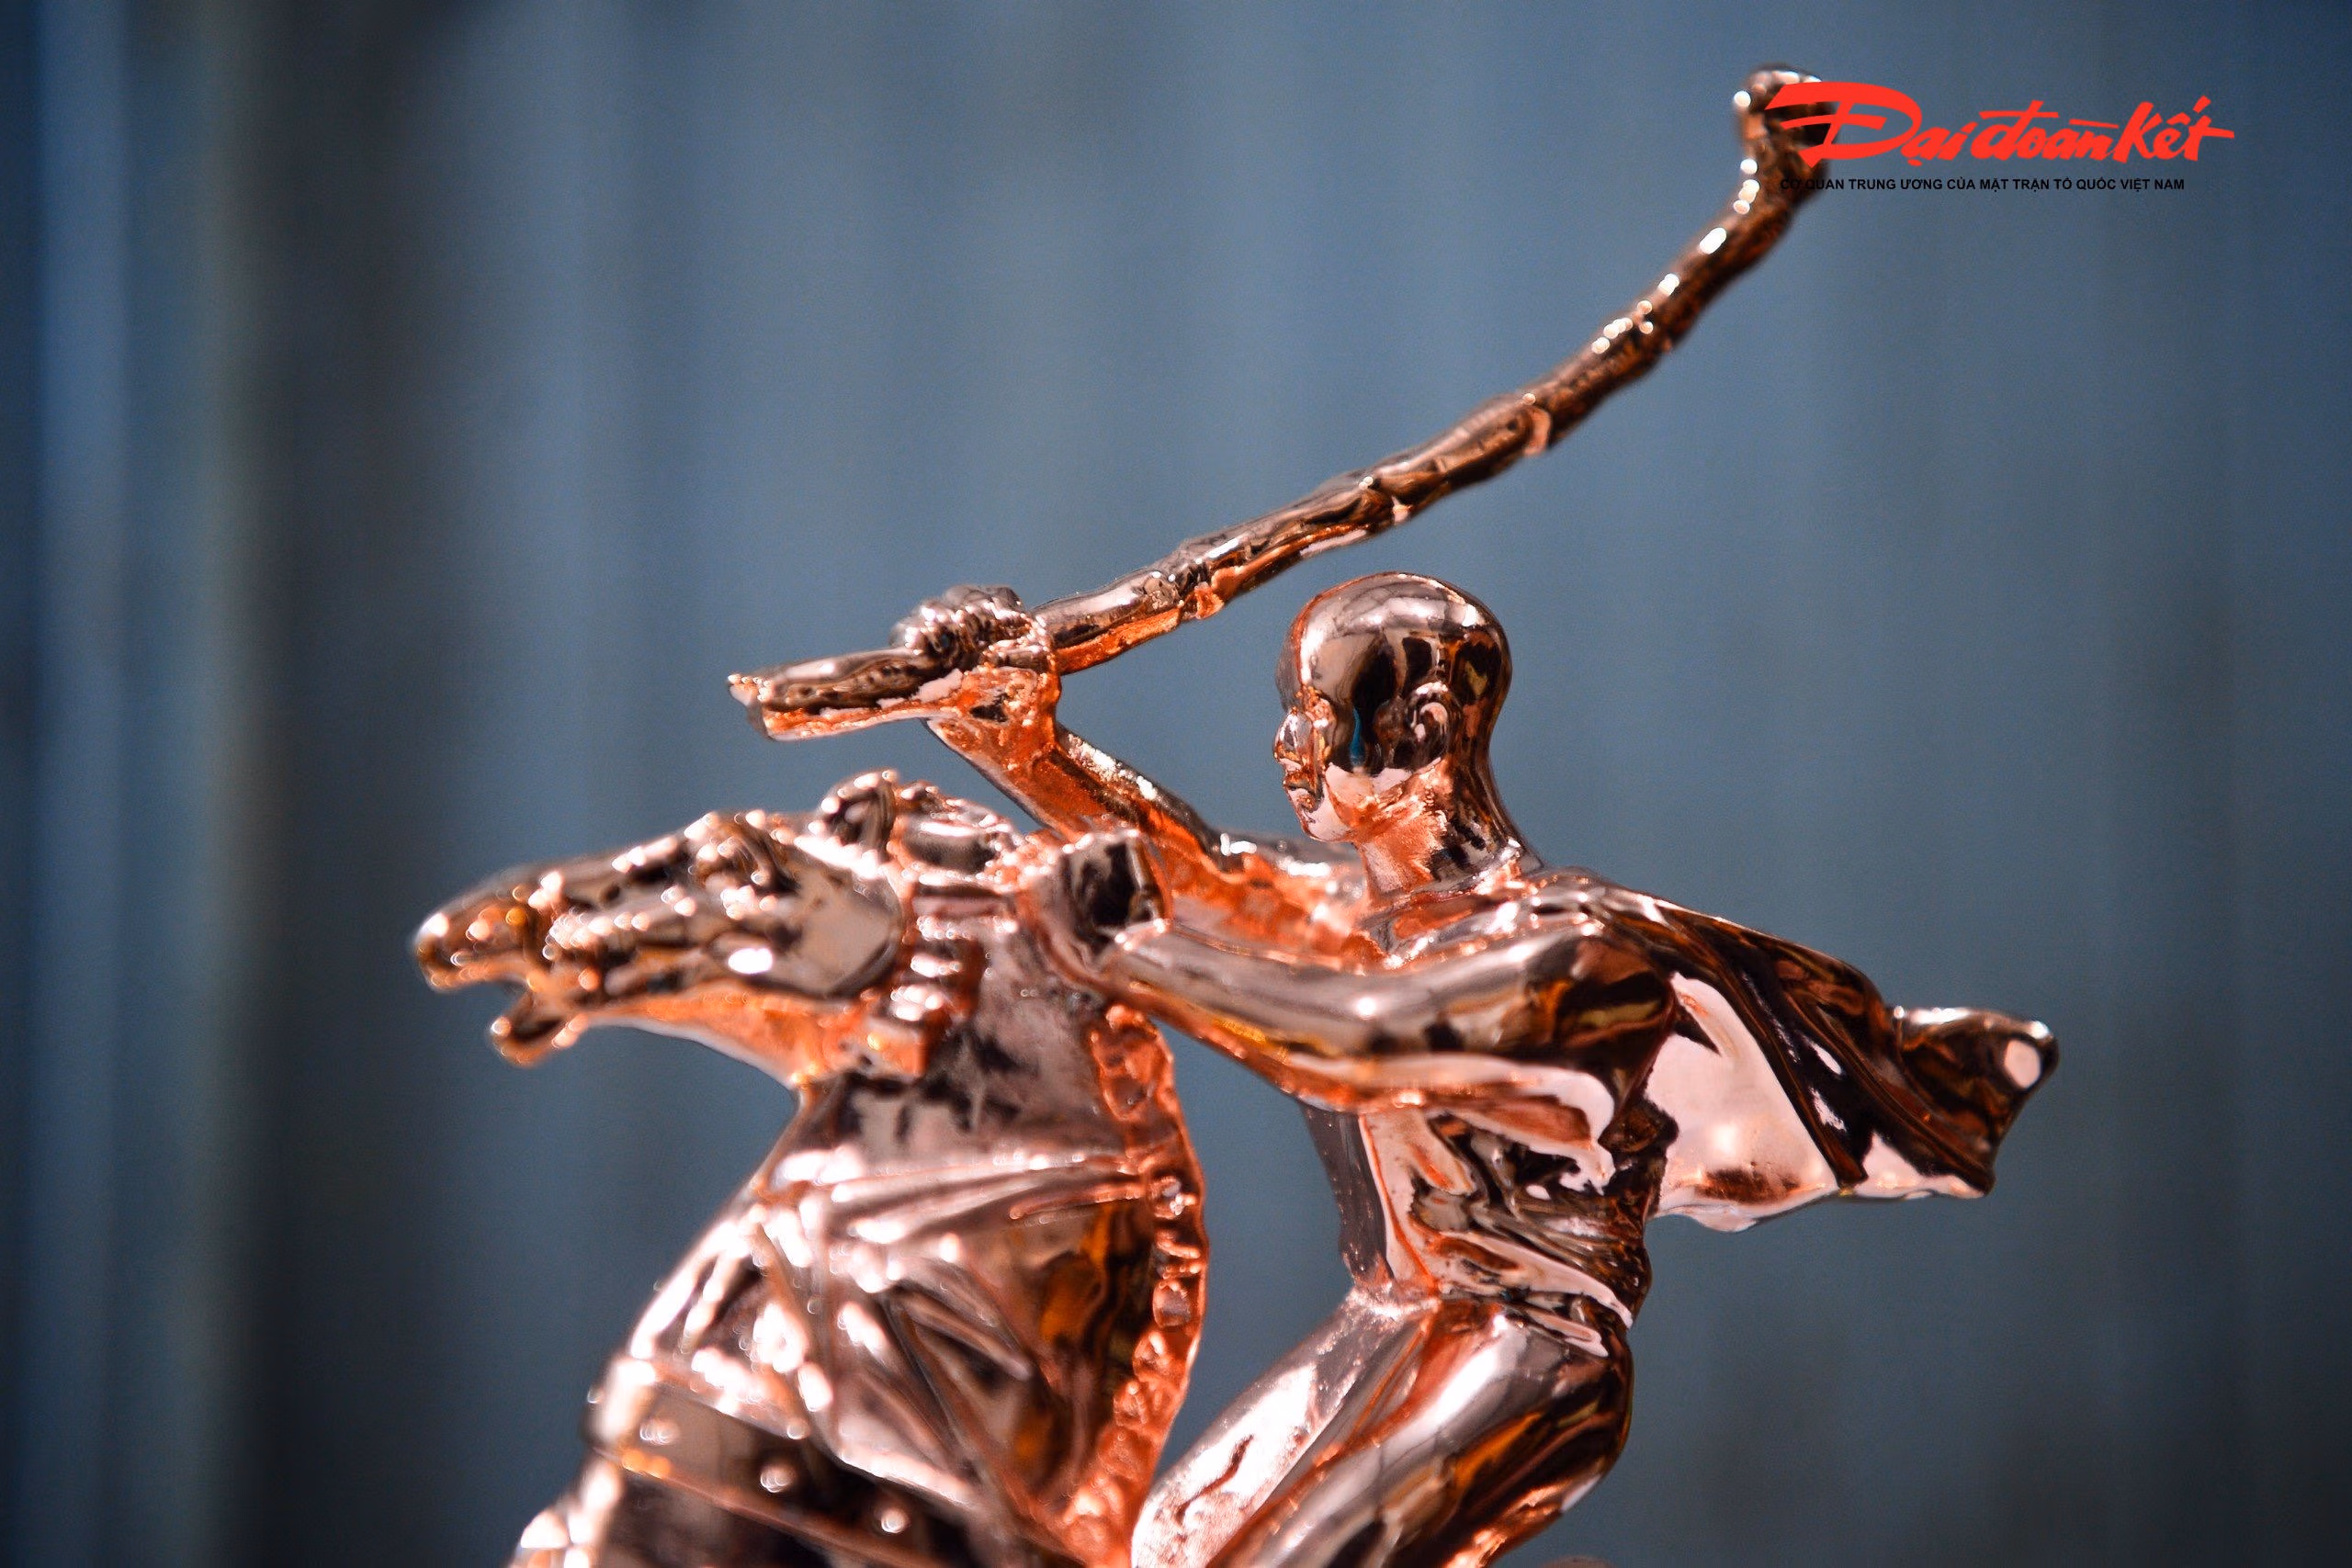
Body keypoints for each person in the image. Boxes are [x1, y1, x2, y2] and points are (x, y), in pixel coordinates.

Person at [899, 571, 2054, 1567]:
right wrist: (1016, 738)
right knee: (1160, 1551)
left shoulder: (1571, 956)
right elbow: (1200, 872)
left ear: (1421, 726)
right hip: (1385, 1328)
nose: (1286, 746)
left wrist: (1128, 955)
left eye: (1314, 714)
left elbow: (1369, 1043)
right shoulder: (1362, 924)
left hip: (1527, 1357)